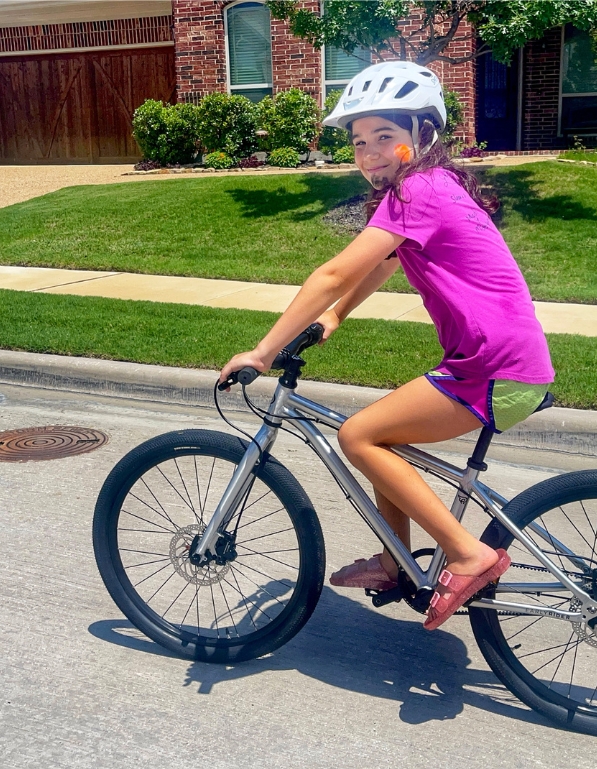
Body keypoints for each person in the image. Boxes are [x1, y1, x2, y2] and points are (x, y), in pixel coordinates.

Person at [218, 61, 554, 631]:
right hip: (502, 364)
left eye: (385, 137)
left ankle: (469, 554)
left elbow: (333, 272)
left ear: (421, 136)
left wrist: (262, 351)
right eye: (359, 141)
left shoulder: (418, 189)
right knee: (383, 435)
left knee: (358, 434)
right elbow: (378, 266)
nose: (370, 152)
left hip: (494, 367)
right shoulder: (426, 187)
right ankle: (396, 564)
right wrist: (336, 316)